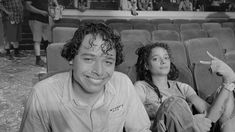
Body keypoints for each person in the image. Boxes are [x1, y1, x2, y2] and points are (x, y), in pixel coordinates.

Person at [19, 23, 151, 132]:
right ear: (71, 58)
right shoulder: (42, 94)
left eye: (108, 62)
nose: (99, 71)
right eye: (88, 59)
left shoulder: (123, 84)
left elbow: (141, 129)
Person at [134, 42, 235, 132]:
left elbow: (209, 116)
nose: (163, 61)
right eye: (156, 59)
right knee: (173, 103)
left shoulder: (182, 87)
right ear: (146, 65)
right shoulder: (141, 87)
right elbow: (136, 119)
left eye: (166, 57)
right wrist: (189, 120)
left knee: (225, 99)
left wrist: (227, 81)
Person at [25, 0, 58, 66]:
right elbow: (27, 6)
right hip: (35, 19)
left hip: (45, 20)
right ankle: (38, 60)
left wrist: (52, 13)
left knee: (46, 39)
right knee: (37, 40)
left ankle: (48, 58)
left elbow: (48, 7)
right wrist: (40, 12)